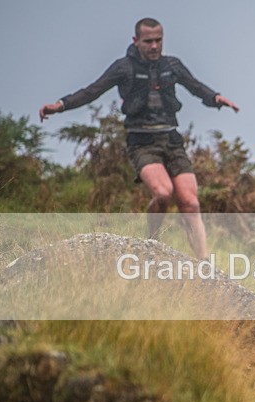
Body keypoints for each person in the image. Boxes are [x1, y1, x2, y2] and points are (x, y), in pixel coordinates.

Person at [39, 17, 239, 259]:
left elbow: (195, 86)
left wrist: (216, 98)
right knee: (163, 193)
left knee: (190, 202)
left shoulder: (172, 65)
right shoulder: (123, 67)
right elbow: (92, 90)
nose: (154, 46)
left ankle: (204, 262)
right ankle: (151, 245)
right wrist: (60, 105)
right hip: (142, 142)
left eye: (158, 41)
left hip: (171, 139)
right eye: (148, 41)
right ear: (136, 41)